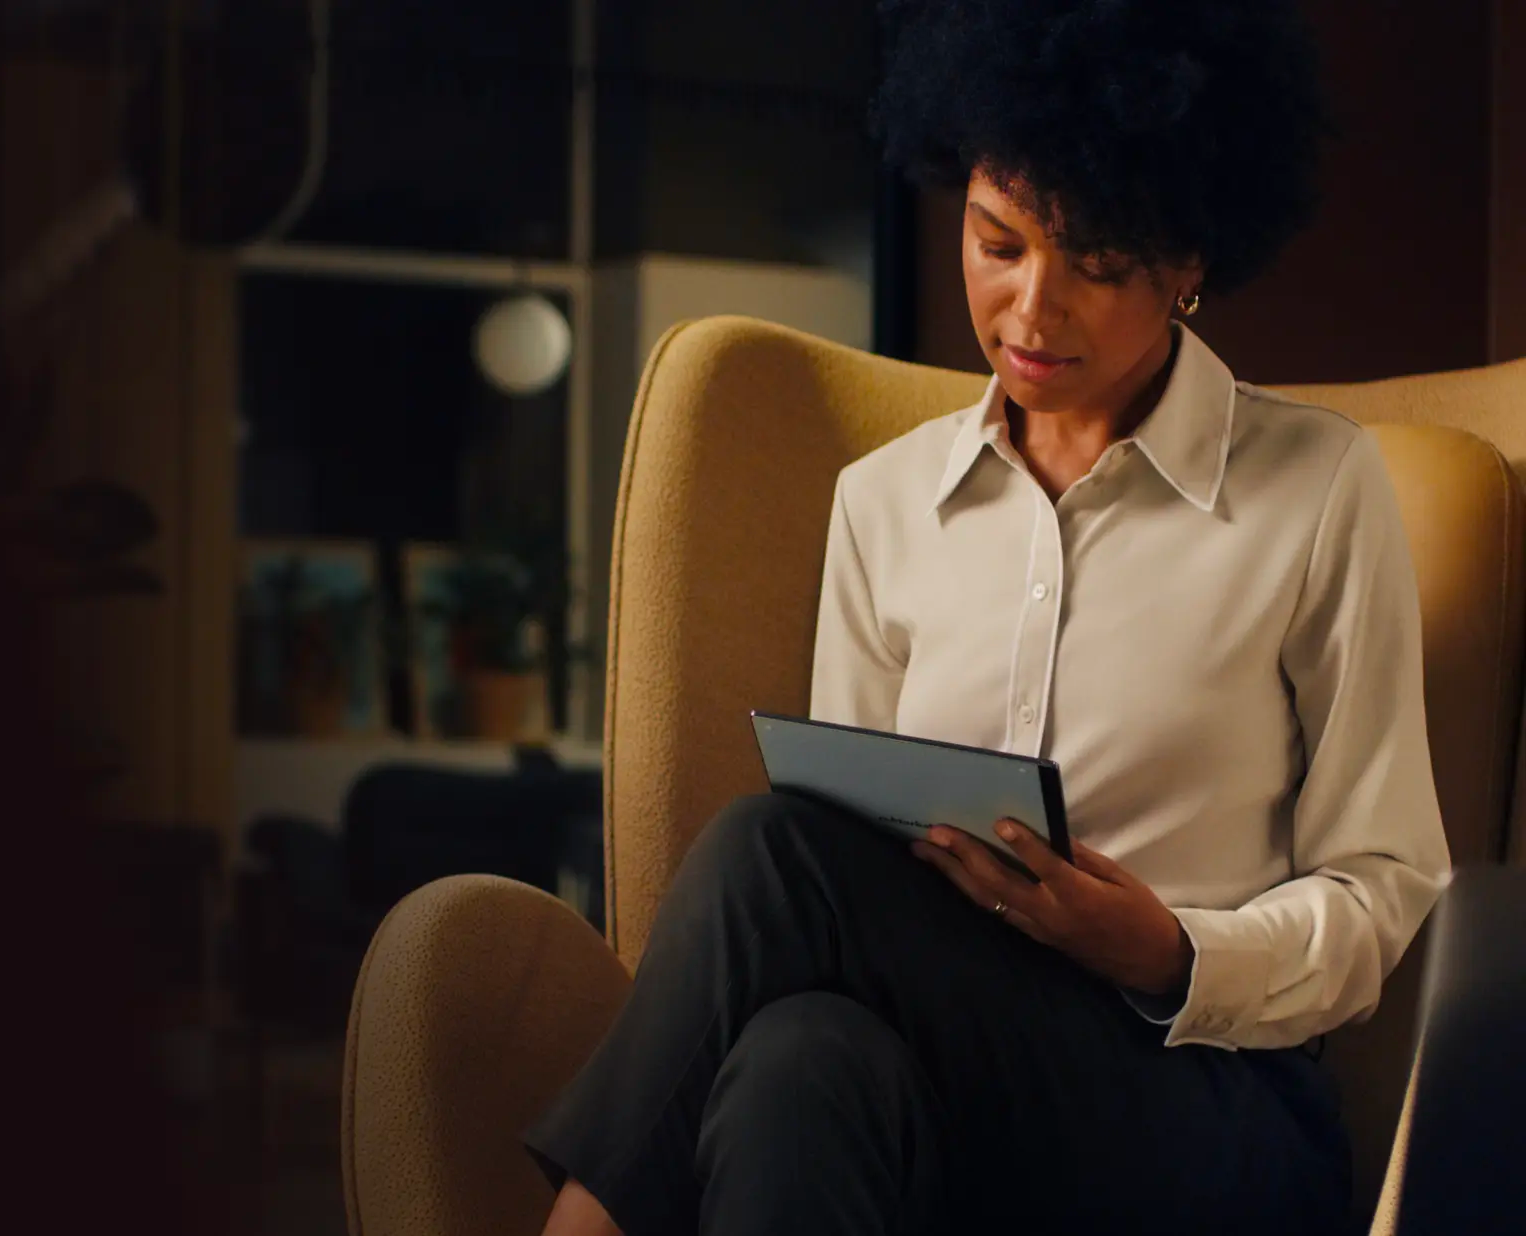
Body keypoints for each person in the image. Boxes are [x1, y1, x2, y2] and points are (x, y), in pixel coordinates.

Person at [523, 2, 1451, 1234]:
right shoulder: (886, 502)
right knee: (793, 1065)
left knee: (771, 853)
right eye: (996, 241)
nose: (1028, 309)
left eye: (1096, 262)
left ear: (1187, 264)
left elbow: (1388, 887)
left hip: (1203, 1110)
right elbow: (852, 855)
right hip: (955, 1079)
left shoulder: (1318, 490)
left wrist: (1165, 951)